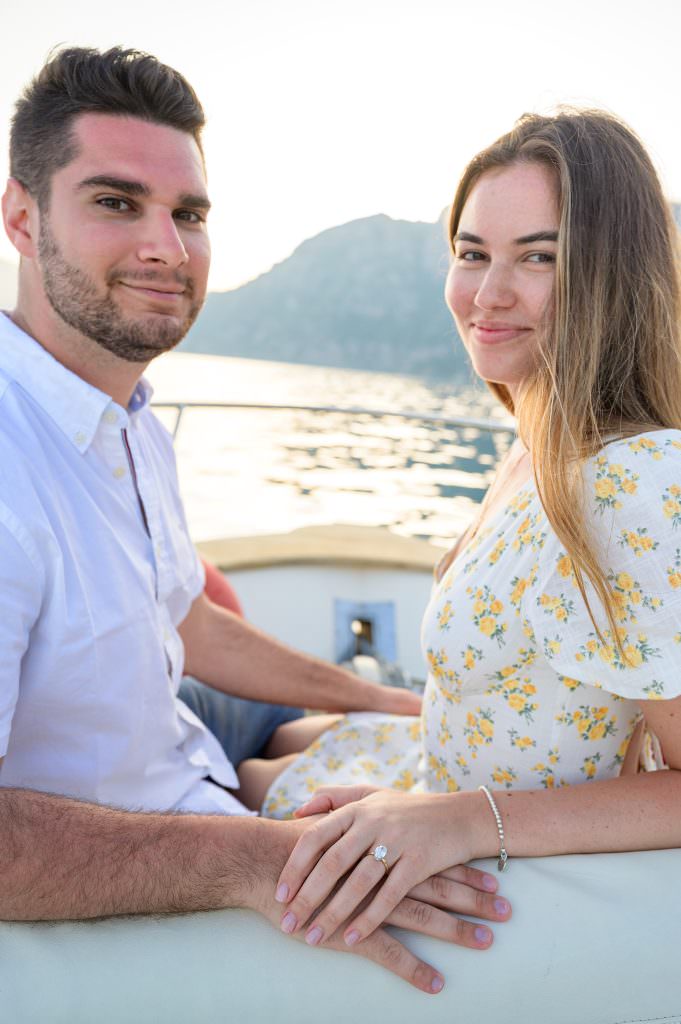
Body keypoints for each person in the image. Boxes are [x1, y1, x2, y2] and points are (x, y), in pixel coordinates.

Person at [0, 46, 513, 993]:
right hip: (139, 843)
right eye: (116, 202)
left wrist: (370, 701)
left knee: (360, 710)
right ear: (23, 219)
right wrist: (252, 859)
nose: (167, 247)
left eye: (188, 214)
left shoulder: (127, 418)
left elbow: (186, 620)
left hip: (181, 741)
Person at [262, 109, 681, 953]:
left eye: (538, 256)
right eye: (471, 253)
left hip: (496, 858)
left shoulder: (633, 482)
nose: (487, 294)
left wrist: (456, 821)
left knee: (234, 772)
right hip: (436, 783)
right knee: (268, 743)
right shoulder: (536, 441)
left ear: (610, 276)